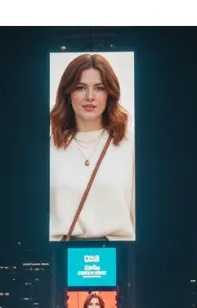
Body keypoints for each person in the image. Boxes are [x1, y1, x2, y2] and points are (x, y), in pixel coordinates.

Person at [49, 54, 135, 241]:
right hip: (60, 257)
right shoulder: (48, 149)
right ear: (68, 94)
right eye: (80, 88)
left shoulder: (130, 146)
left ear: (109, 94)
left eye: (99, 88)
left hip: (120, 257)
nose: (90, 96)